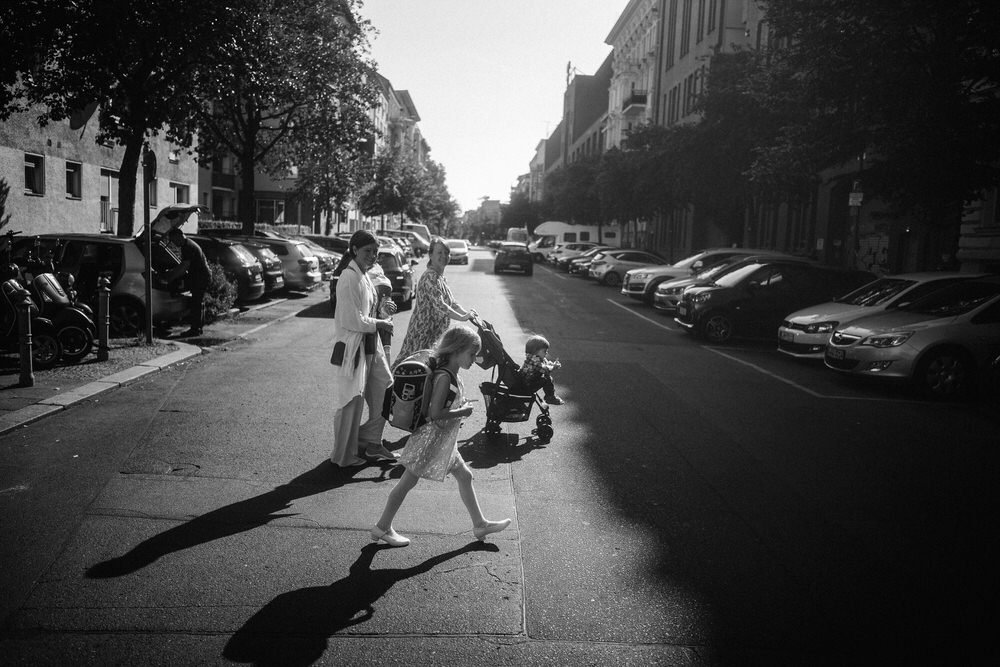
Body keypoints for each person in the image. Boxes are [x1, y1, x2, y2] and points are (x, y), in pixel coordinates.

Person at [370, 326, 512, 547]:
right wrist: (463, 411)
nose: (475, 359)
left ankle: (480, 524)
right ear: (456, 350)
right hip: (430, 439)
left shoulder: (449, 372)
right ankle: (383, 527)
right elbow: (435, 414)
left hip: (443, 440)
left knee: (464, 476)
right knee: (407, 482)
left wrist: (458, 407)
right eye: (471, 354)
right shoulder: (445, 376)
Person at [328, 230, 398, 467]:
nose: (372, 256)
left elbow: (368, 310)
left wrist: (383, 310)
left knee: (386, 388)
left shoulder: (364, 275)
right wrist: (380, 323)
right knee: (351, 400)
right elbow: (352, 320)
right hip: (354, 348)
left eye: (375, 252)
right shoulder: (349, 277)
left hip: (370, 344)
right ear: (354, 249)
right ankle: (344, 455)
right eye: (368, 251)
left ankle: (370, 440)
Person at [394, 237, 475, 364]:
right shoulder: (430, 276)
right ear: (430, 255)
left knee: (420, 372)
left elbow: (452, 303)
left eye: (446, 253)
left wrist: (468, 315)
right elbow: (440, 305)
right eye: (439, 252)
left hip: (432, 336)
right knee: (410, 369)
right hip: (422, 335)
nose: (444, 256)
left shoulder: (440, 277)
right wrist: (462, 318)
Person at [164, 227, 211, 338]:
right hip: (202, 276)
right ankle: (198, 328)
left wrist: (170, 277)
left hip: (200, 277)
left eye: (173, 240)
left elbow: (184, 267)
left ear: (179, 236)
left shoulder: (188, 247)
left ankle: (195, 330)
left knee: (196, 303)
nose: (174, 243)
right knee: (198, 303)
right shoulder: (188, 244)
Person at [513, 334, 564, 405]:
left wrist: (552, 364)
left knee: (546, 377)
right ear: (535, 351)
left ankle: (550, 396)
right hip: (527, 386)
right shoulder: (534, 360)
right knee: (546, 379)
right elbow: (544, 369)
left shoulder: (534, 358)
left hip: (527, 382)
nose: (546, 353)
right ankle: (550, 397)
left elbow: (544, 364)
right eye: (544, 351)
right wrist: (553, 367)